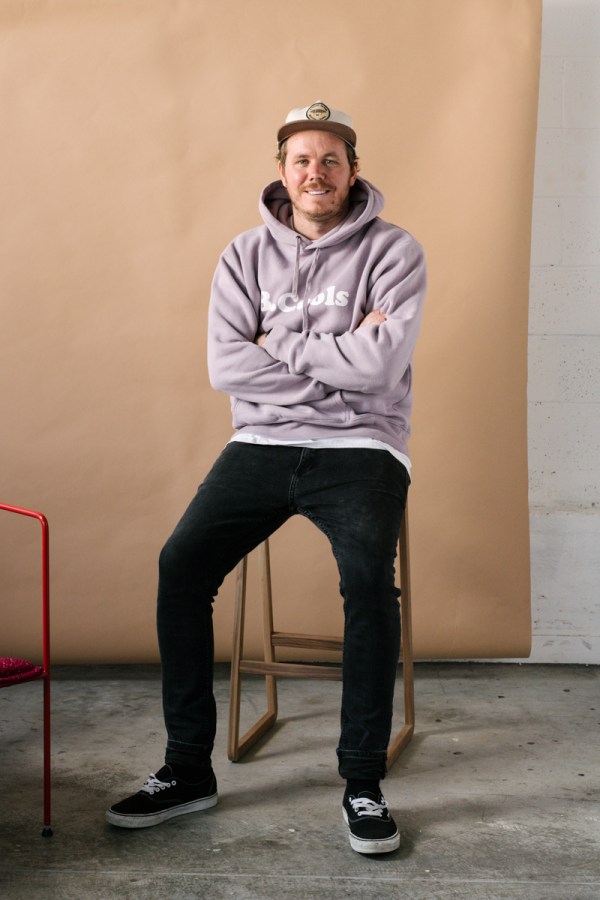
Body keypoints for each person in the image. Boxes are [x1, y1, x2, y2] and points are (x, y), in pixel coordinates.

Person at [106, 100, 426, 855]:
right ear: (282, 171)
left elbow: (381, 369)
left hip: (362, 447)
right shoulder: (244, 254)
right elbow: (227, 366)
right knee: (181, 565)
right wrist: (338, 355)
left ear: (353, 170)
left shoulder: (395, 250)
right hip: (261, 442)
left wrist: (276, 341)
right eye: (302, 160)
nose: (317, 173)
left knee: (368, 584)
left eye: (331, 160)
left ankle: (363, 782)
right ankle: (188, 769)